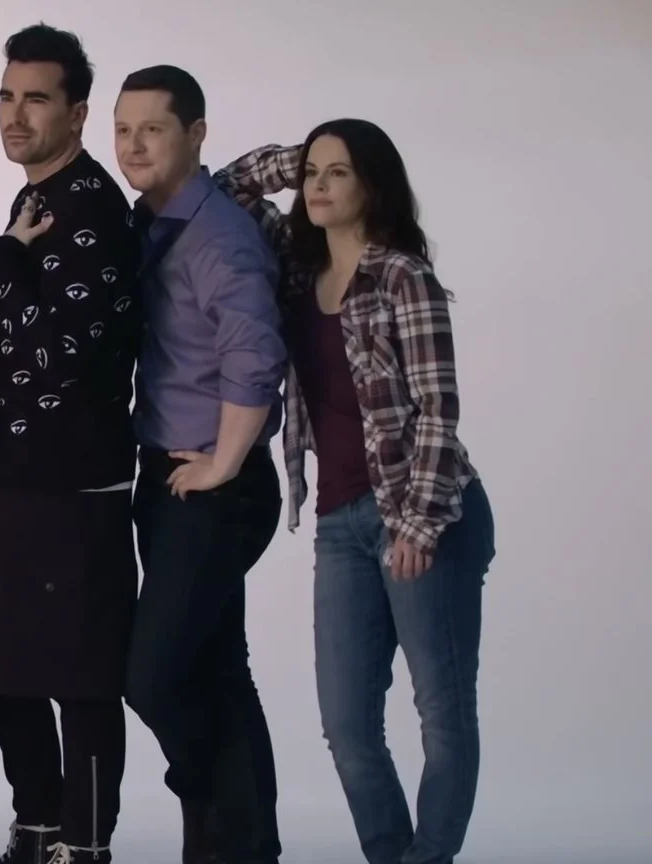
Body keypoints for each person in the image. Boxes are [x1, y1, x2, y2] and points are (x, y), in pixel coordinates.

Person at [215, 122, 494, 864]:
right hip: (341, 521)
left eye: (338, 173)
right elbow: (226, 187)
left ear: (373, 185)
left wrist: (419, 526)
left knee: (441, 714)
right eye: (312, 172)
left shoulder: (402, 277)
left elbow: (438, 410)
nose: (317, 185)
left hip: (427, 511)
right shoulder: (295, 268)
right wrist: (302, 153)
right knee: (346, 726)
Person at [0, 25, 143, 864]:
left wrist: (3, 262)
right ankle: (40, 825)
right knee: (3, 667)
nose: (15, 114)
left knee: (80, 676)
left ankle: (84, 844)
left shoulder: (90, 207)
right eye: (7, 96)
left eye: (35, 98)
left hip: (77, 485)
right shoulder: (34, 201)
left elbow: (57, 357)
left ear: (76, 114)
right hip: (17, 475)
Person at [113, 66, 287, 864]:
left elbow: (255, 354)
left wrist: (224, 462)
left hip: (214, 488)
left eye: (153, 129)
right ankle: (245, 847)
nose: (134, 145)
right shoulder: (152, 221)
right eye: (123, 129)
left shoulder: (219, 234)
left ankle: (219, 813)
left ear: (195, 135)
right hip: (167, 476)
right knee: (219, 669)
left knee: (152, 678)